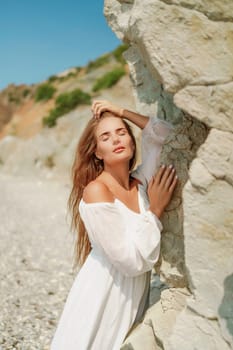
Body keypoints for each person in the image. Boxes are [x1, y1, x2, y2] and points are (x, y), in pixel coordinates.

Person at [51, 100, 177, 350]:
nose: (116, 140)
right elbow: (130, 262)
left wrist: (120, 111)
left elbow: (165, 133)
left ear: (132, 140)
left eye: (122, 132)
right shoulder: (97, 191)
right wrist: (156, 209)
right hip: (103, 293)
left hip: (131, 294)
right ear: (97, 152)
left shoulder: (140, 183)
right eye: (106, 137)